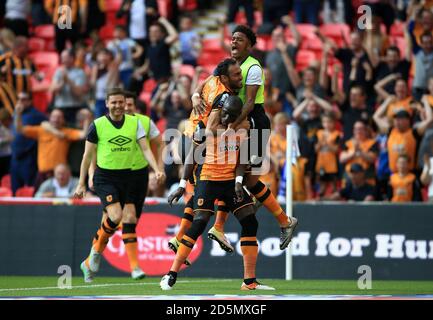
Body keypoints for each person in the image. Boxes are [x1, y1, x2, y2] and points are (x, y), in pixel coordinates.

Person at [192, 25, 297, 251]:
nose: (233, 42)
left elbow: (249, 103)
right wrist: (193, 96)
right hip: (235, 122)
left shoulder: (253, 67)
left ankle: (285, 221)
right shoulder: (229, 66)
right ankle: (222, 227)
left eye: (239, 39)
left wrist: (231, 126)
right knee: (232, 176)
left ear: (249, 45)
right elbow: (205, 84)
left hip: (253, 121)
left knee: (245, 179)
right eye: (232, 39)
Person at [161, 95, 275, 291]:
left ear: (238, 115)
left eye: (231, 115)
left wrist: (239, 182)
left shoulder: (243, 130)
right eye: (224, 113)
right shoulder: (205, 128)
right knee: (199, 223)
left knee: (250, 221)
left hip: (230, 182)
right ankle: (171, 274)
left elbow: (241, 160)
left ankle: (249, 282)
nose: (225, 118)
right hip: (208, 180)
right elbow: (191, 158)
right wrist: (181, 185)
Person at [74, 88, 164, 283]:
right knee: (116, 216)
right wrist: (82, 182)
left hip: (130, 177)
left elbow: (146, 148)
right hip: (106, 177)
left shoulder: (136, 123)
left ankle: (91, 259)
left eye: (120, 102)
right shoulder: (97, 125)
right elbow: (87, 156)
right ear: (107, 104)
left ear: (126, 103)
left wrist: (156, 168)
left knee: (125, 219)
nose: (117, 106)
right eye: (113, 102)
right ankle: (106, 257)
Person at [14, 107, 89, 192]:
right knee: (40, 200)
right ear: (49, 117)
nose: (56, 119)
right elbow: (20, 129)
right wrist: (18, 114)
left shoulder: (66, 132)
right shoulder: (41, 130)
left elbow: (83, 134)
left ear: (63, 120)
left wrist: (86, 119)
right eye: (54, 116)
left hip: (60, 174)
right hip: (43, 173)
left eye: (59, 117)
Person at [10, 92, 46, 194]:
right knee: (15, 190)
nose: (20, 102)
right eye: (19, 99)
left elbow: (47, 125)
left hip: (29, 156)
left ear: (30, 101)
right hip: (15, 156)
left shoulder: (37, 115)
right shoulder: (16, 113)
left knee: (30, 188)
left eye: (24, 99)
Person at [50, 49, 89, 125]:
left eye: (65, 58)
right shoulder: (59, 71)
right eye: (62, 58)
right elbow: (52, 89)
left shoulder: (80, 72)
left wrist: (68, 80)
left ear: (72, 58)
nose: (63, 60)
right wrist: (62, 82)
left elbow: (78, 92)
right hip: (59, 108)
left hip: (74, 108)